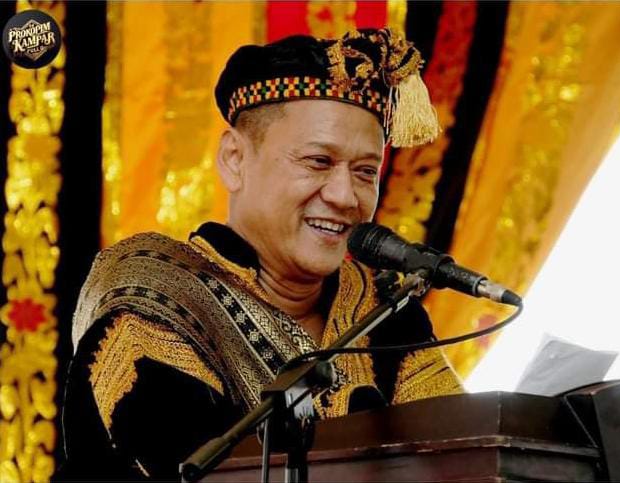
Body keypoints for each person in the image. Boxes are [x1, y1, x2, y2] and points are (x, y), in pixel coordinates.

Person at [58, 28, 462, 481]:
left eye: (366, 171)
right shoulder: (155, 303)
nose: (345, 196)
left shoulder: (385, 313)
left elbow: (464, 458)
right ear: (234, 159)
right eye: (318, 162)